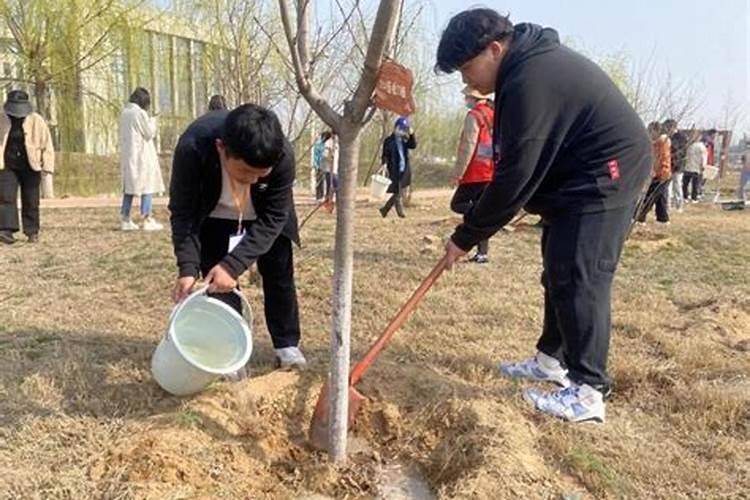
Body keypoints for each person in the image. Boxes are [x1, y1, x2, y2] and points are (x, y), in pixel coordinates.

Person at [436, 9, 652, 423]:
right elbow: (519, 170)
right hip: (576, 177)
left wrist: (465, 237)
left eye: (467, 68)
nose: (467, 82)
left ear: (494, 49)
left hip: (607, 172)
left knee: (580, 275)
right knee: (557, 269)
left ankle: (589, 391)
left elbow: (515, 177)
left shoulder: (529, 79)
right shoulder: (524, 68)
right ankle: (549, 360)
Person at [169, 103, 306, 369]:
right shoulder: (194, 146)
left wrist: (233, 265)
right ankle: (230, 349)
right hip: (215, 217)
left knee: (279, 276)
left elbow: (275, 216)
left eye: (261, 173)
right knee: (218, 285)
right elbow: (183, 211)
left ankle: (287, 344)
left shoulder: (281, 154)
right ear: (222, 148)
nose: (253, 181)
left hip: (265, 218)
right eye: (245, 172)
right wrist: (187, 267)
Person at [0, 90, 54, 244]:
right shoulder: (1, 118)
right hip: (7, 165)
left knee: (31, 199)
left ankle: (32, 231)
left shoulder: (36, 120)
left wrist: (48, 166)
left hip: (31, 164)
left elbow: (47, 145)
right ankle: (6, 230)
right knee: (5, 197)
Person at [450, 86, 495, 263]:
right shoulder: (494, 113)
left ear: (473, 98)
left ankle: (480, 214)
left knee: (458, 204)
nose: (465, 100)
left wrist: (458, 173)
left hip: (475, 171)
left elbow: (468, 147)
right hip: (491, 170)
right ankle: (482, 254)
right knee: (479, 211)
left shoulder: (474, 116)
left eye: (466, 97)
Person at [119, 87, 165, 231]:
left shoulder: (125, 112)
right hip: (142, 157)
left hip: (129, 156)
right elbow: (149, 133)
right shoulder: (140, 113)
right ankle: (147, 218)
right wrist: (154, 120)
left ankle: (125, 218)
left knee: (129, 188)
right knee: (147, 186)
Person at [379, 117, 416, 218]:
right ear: (395, 127)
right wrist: (384, 163)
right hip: (394, 169)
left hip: (404, 169)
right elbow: (385, 154)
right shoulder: (388, 140)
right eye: (400, 128)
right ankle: (400, 213)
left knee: (397, 191)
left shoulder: (405, 139)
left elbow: (413, 146)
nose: (401, 130)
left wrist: (411, 134)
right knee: (397, 191)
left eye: (403, 128)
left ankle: (384, 209)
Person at [635, 121, 671, 225]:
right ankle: (662, 219)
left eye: (651, 131)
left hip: (661, 174)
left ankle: (640, 218)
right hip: (662, 173)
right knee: (660, 198)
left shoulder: (662, 143)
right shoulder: (659, 142)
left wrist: (660, 172)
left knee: (650, 196)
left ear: (656, 131)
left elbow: (663, 158)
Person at [665, 119, 687, 213]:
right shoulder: (669, 137)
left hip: (678, 165)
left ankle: (679, 205)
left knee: (677, 185)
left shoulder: (681, 137)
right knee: (667, 186)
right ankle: (668, 206)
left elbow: (678, 150)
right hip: (669, 164)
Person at [683, 133, 708, 203]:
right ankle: (694, 198)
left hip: (688, 167)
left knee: (685, 183)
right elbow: (704, 157)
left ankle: (685, 196)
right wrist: (703, 165)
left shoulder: (689, 145)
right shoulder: (702, 147)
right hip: (697, 168)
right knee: (695, 184)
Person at [320, 131, 339, 204]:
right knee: (333, 184)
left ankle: (330, 199)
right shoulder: (328, 143)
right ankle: (328, 199)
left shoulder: (337, 144)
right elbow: (325, 155)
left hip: (335, 168)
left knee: (334, 184)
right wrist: (330, 156)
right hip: (329, 168)